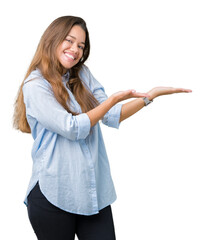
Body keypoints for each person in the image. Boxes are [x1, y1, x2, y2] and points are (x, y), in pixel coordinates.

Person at [13, 16, 192, 240]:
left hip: (92, 193)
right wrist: (112, 99)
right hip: (54, 194)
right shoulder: (35, 85)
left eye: (81, 45)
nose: (75, 49)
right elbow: (72, 128)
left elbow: (110, 116)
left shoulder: (82, 74)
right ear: (52, 40)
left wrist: (150, 96)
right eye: (69, 41)